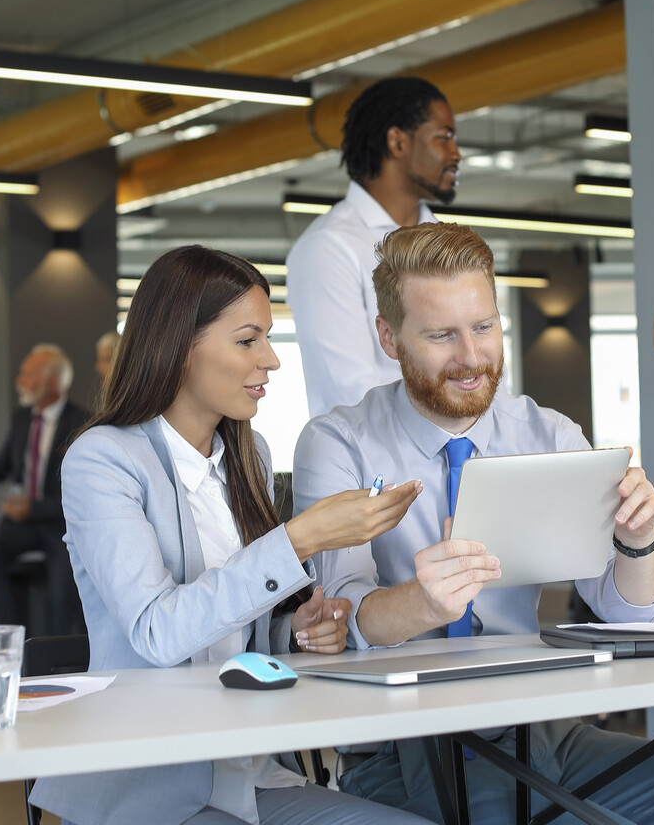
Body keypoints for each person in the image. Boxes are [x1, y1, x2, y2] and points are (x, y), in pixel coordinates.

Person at [293, 222, 654, 825]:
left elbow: (631, 614)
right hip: (410, 738)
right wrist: (424, 603)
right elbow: (340, 616)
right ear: (389, 338)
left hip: (542, 726)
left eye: (484, 327)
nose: (471, 358)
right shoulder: (338, 444)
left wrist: (638, 542)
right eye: (442, 335)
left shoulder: (548, 435)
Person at [29, 245, 429, 825]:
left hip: (252, 774)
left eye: (268, 337)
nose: (270, 360)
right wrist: (296, 542)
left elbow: (234, 634)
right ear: (179, 346)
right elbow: (158, 632)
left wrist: (294, 629)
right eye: (247, 340)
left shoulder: (249, 455)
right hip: (153, 791)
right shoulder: (103, 460)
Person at [286, 76, 460, 417]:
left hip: (464, 458)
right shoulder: (329, 247)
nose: (456, 154)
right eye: (445, 137)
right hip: (370, 466)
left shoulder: (450, 242)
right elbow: (351, 392)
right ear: (396, 142)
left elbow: (487, 372)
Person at [0, 344, 87, 635]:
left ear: (53, 382)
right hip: (24, 524)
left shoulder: (82, 423)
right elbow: (1, 465)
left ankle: (57, 662)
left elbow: (83, 495)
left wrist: (34, 507)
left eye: (28, 375)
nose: (19, 381)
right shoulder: (21, 419)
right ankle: (15, 641)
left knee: (61, 594)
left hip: (62, 528)